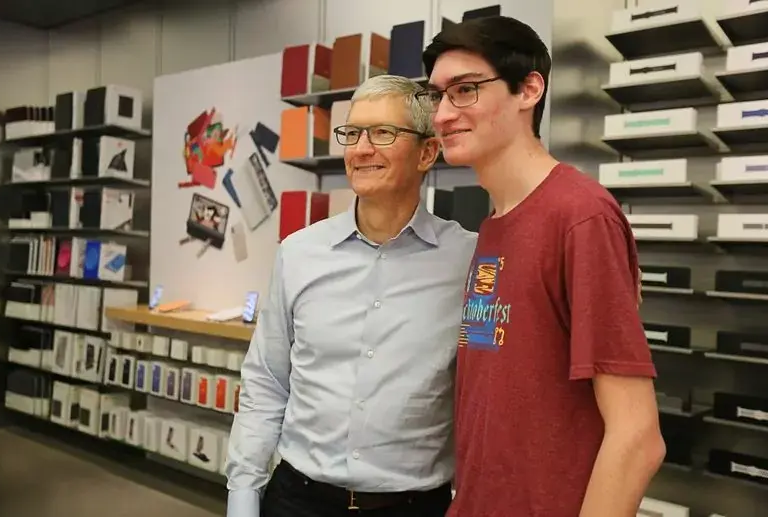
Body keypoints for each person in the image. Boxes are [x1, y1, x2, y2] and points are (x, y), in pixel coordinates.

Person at [419, 15, 665, 517]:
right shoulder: (493, 224)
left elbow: (638, 436)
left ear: (529, 89)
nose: (442, 114)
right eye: (436, 96)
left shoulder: (580, 216)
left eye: (464, 90)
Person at [224, 74, 476, 517]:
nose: (360, 149)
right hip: (298, 500)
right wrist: (243, 498)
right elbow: (266, 382)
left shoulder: (469, 260)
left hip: (414, 506)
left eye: (382, 133)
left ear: (427, 152)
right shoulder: (298, 253)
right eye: (352, 133)